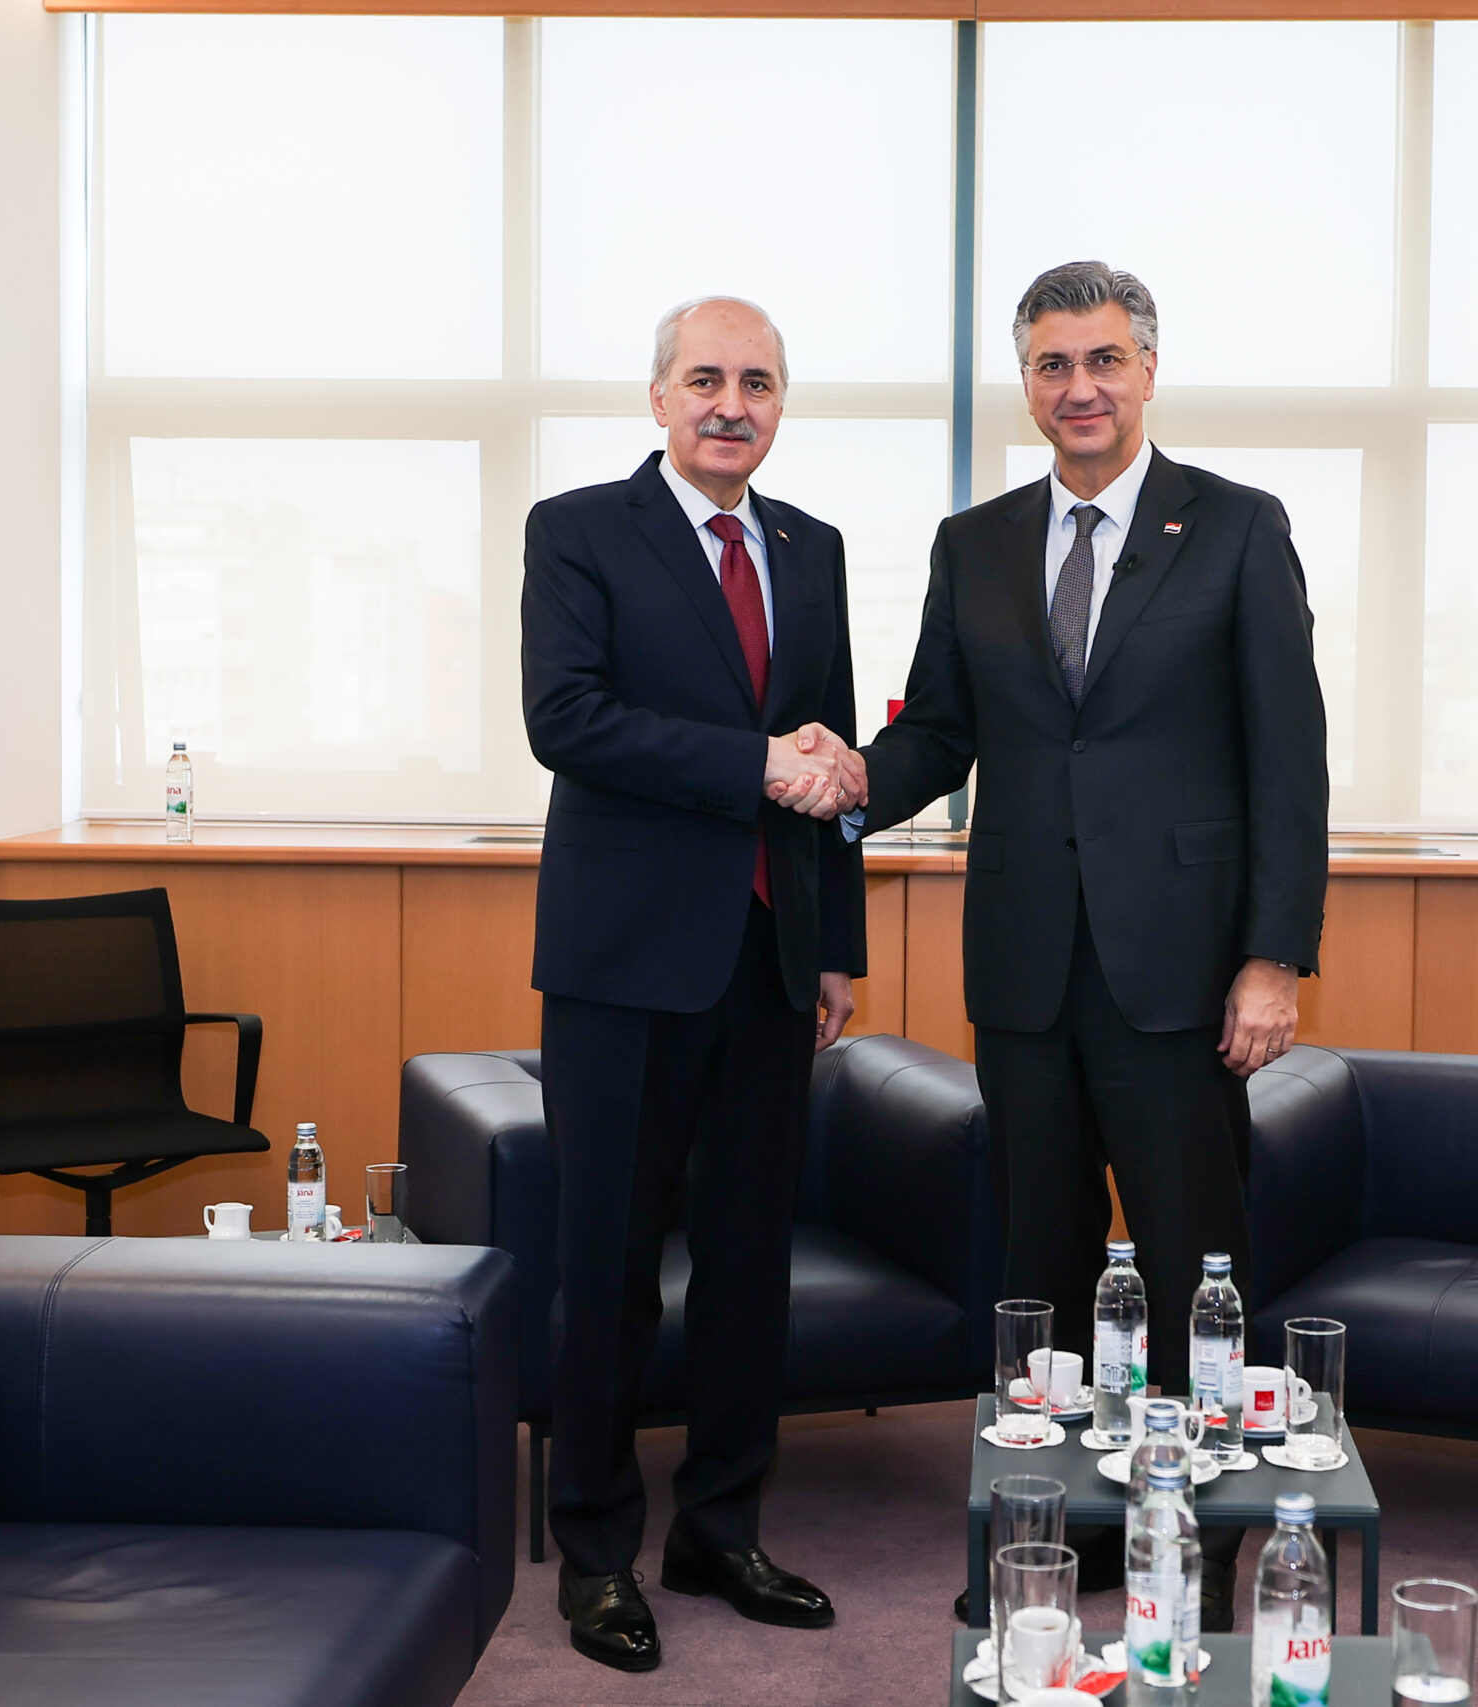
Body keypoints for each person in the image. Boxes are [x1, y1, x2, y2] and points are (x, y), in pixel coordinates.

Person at [798, 260, 1329, 1626]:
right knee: (1037, 1262)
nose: (1079, 387)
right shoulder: (972, 543)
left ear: (1147, 370)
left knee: (1190, 1265)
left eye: (1102, 360)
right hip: (1027, 965)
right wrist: (847, 781)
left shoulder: (1236, 527)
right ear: (1026, 383)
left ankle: (1193, 1543)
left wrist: (1274, 957)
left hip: (1183, 973)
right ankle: (1059, 1536)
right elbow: (940, 730)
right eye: (1052, 364)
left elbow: (1290, 756)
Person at [522, 295, 865, 1672]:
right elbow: (567, 719)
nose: (734, 404)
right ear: (659, 397)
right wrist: (751, 764)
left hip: (771, 960)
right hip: (624, 964)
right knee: (609, 1266)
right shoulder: (578, 531)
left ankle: (720, 1528)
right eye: (708, 379)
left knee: (745, 1267)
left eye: (758, 383)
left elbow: (829, 756)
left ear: (780, 404)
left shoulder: (812, 547)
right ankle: (597, 1551)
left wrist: (835, 941)